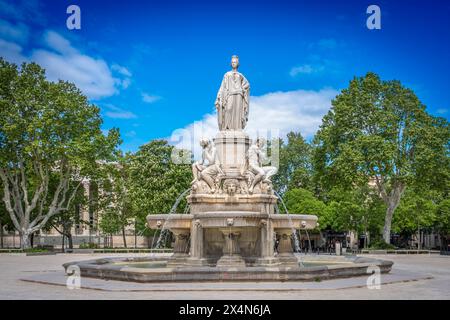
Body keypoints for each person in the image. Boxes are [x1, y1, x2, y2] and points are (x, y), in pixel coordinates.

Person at [215, 55, 250, 130]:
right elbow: (222, 86)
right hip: (230, 94)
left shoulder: (240, 75)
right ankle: (227, 127)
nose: (234, 63)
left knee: (238, 112)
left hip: (239, 95)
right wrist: (218, 97)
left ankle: (238, 128)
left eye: (235, 62)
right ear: (231, 64)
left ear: (238, 64)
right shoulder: (227, 74)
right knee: (228, 109)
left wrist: (242, 89)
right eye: (233, 62)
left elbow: (247, 85)